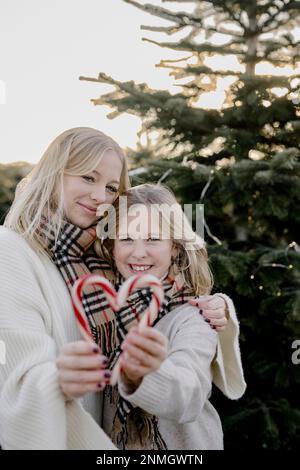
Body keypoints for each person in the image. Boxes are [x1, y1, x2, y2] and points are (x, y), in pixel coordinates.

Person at [0, 127, 229, 449]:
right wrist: (58, 378)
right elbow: (16, 371)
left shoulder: (92, 256)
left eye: (110, 187)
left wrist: (218, 306)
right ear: (53, 175)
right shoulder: (14, 250)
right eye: (87, 178)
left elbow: (168, 298)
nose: (99, 197)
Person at [57, 183, 246, 450]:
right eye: (126, 239)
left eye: (153, 239)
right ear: (112, 247)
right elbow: (59, 241)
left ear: (176, 247)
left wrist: (143, 374)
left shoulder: (195, 316)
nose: (138, 252)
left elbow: (189, 394)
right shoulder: (100, 311)